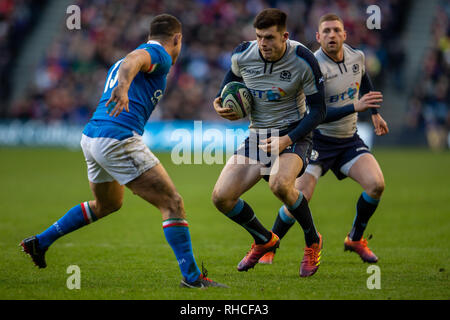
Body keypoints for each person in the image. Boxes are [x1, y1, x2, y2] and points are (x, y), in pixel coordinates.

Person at [20, 14, 227, 289]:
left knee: (108, 204)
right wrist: (124, 86)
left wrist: (124, 84)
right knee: (172, 203)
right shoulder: (159, 53)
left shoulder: (132, 58)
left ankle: (40, 241)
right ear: (177, 39)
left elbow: (130, 61)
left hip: (93, 137)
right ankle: (192, 278)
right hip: (118, 138)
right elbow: (134, 60)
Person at [259, 13, 389, 265]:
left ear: (344, 34)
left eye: (336, 30)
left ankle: (355, 238)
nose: (331, 35)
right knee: (299, 196)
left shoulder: (357, 57)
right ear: (318, 37)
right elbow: (315, 115)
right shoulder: (313, 65)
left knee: (376, 185)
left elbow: (364, 80)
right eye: (326, 31)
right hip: (316, 141)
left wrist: (374, 113)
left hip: (348, 140)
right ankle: (270, 245)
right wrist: (356, 107)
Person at [212, 8, 326, 277]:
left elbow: (319, 111)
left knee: (279, 184)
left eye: (270, 38)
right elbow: (231, 80)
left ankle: (312, 241)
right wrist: (220, 102)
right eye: (260, 37)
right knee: (221, 198)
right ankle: (265, 239)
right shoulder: (242, 54)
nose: (264, 43)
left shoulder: (303, 59)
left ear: (284, 36)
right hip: (257, 136)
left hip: (293, 133)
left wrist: (287, 138)